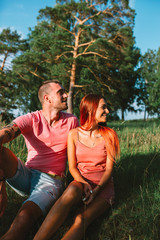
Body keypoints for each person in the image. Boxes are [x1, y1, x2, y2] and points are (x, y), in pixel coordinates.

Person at [33, 93, 120, 240]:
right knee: (71, 190)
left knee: (81, 218)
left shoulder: (109, 135)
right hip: (81, 182)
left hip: (103, 188)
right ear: (91, 110)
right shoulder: (74, 134)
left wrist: (96, 191)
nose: (107, 111)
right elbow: (72, 167)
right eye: (103, 108)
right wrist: (83, 183)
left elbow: (109, 170)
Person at [0, 80, 79, 240]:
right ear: (47, 98)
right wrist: (1, 184)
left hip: (50, 181)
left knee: (24, 216)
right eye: (61, 92)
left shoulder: (71, 121)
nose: (66, 95)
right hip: (26, 175)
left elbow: (80, 153)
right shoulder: (31, 118)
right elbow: (6, 132)